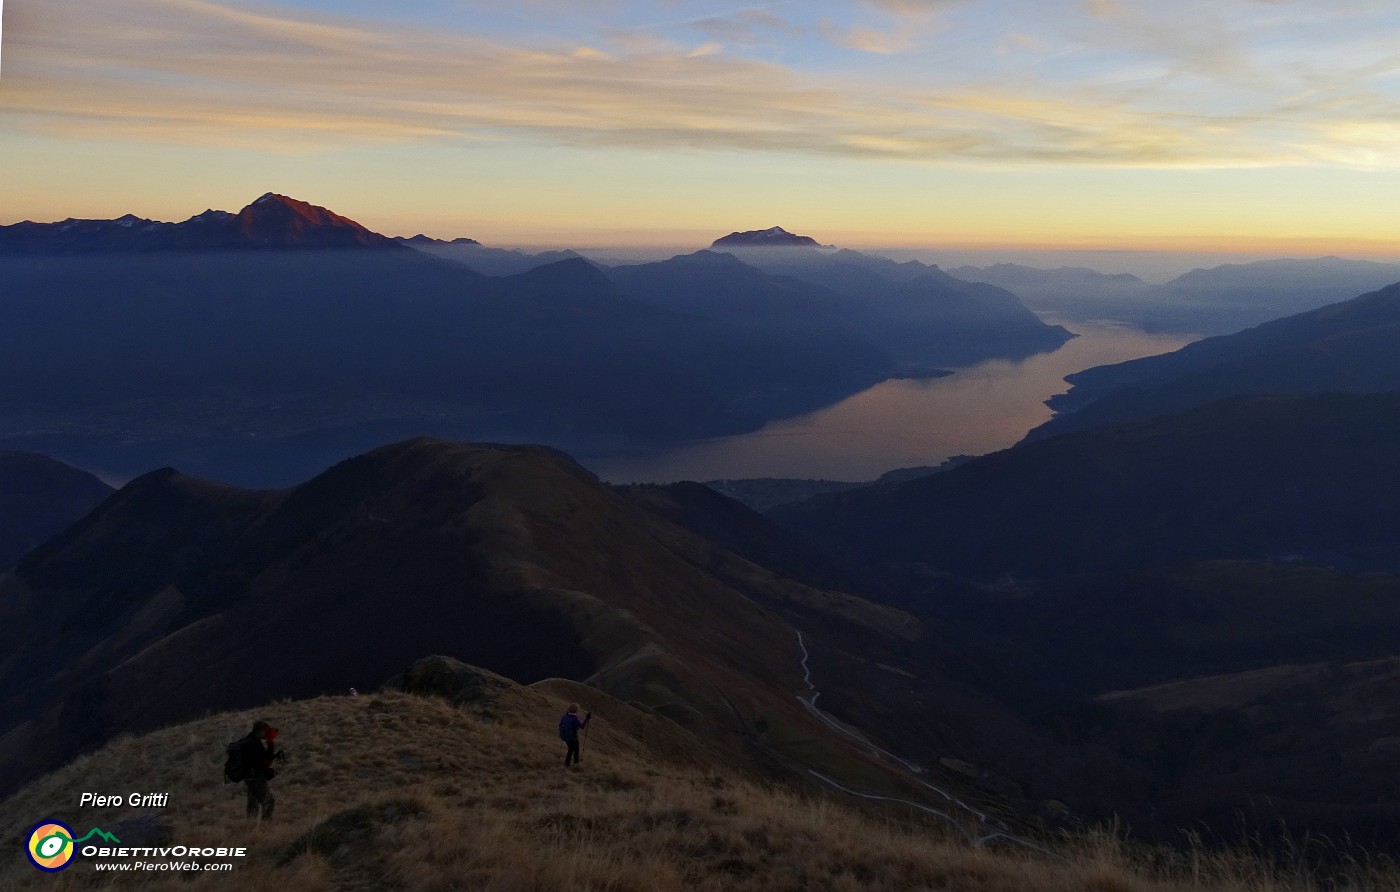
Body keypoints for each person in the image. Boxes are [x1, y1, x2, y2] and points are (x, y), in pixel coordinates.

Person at [239, 720, 280, 819]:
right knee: (269, 801)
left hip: (250, 777)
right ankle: (265, 827)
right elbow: (266, 760)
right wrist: (270, 742)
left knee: (253, 804)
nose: (266, 734)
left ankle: (251, 828)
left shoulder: (251, 741)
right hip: (255, 777)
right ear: (260, 731)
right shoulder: (253, 744)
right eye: (265, 731)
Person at [558, 703, 591, 768]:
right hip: (573, 737)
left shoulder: (565, 717)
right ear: (576, 710)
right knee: (576, 750)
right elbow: (582, 726)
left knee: (571, 749)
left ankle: (567, 763)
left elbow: (560, 725)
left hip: (566, 737)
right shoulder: (574, 718)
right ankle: (575, 764)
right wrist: (587, 719)